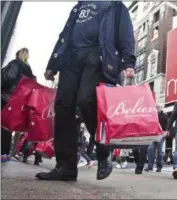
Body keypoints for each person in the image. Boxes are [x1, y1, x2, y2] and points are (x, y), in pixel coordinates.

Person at [35, 1, 136, 181]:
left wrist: (128, 62)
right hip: (70, 59)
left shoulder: (115, 5)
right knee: (62, 106)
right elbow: (64, 35)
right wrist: (53, 64)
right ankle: (65, 167)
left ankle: (103, 149)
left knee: (86, 99)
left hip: (98, 56)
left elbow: (126, 35)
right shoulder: (79, 6)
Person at [1, 48, 36, 162]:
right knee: (7, 126)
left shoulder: (15, 64)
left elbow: (8, 78)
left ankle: (3, 152)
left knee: (2, 124)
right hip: (18, 101)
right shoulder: (29, 70)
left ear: (17, 54)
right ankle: (4, 153)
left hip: (6, 97)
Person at [145, 105, 168, 172]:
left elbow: (167, 123)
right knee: (150, 149)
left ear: (161, 109)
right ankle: (150, 166)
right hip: (153, 134)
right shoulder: (152, 115)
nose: (158, 109)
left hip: (161, 134)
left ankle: (159, 167)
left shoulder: (164, 115)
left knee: (159, 151)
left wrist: (165, 131)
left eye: (159, 107)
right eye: (156, 107)